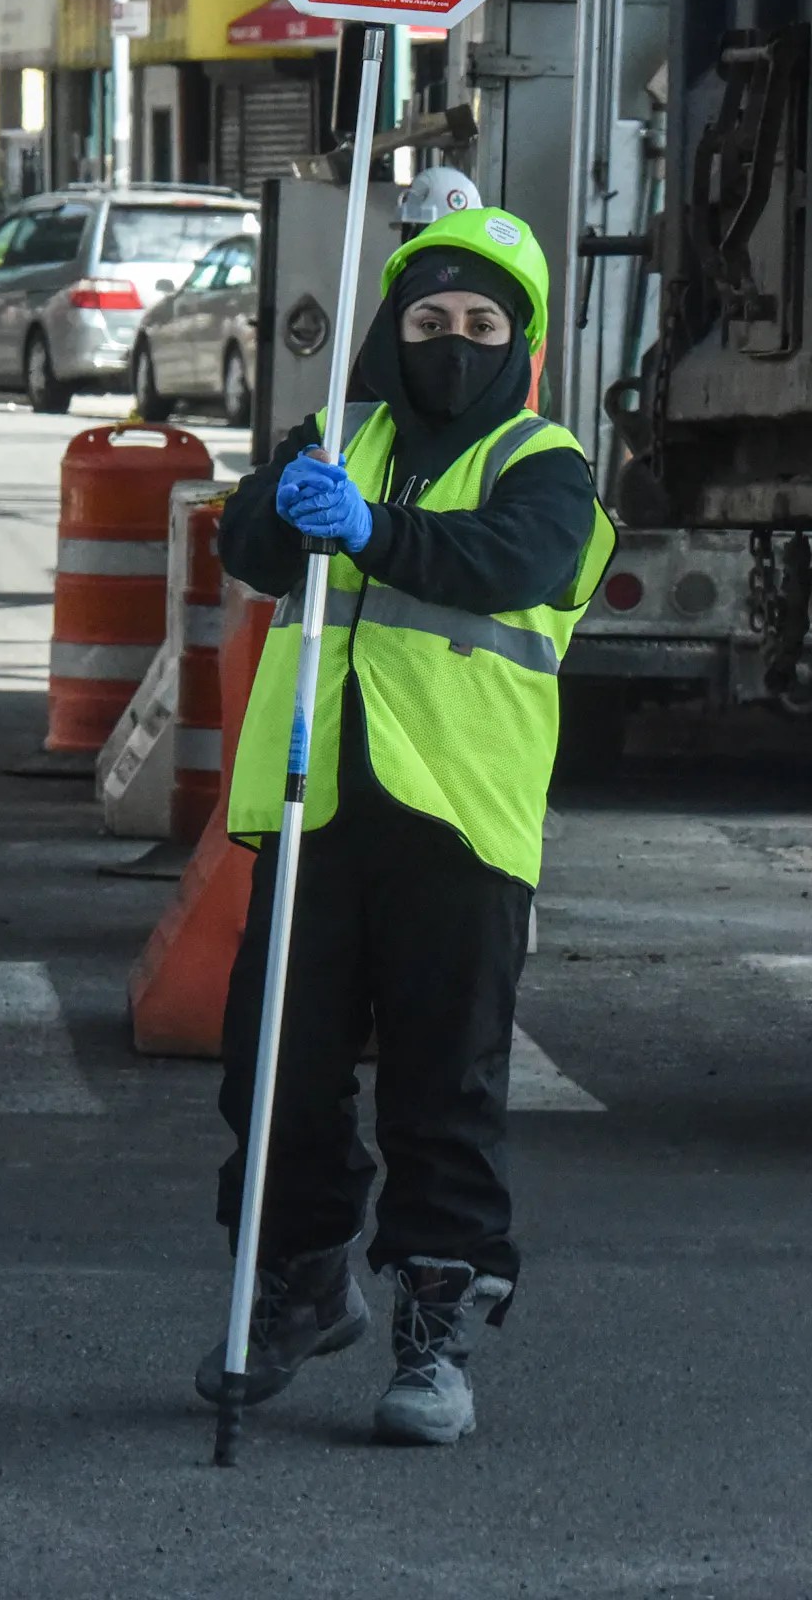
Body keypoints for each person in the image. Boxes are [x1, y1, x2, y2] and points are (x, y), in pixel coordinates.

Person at [199, 203, 613, 1448]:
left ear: (517, 342)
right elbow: (251, 549)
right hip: (313, 796)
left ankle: (434, 1336)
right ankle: (301, 1282)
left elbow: (509, 566)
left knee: (444, 1087)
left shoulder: (546, 463)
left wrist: (372, 531)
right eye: (427, 318)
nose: (451, 340)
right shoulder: (336, 431)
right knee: (275, 1073)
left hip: (459, 821)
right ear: (389, 328)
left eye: (481, 323)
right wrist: (289, 494)